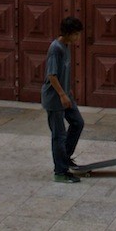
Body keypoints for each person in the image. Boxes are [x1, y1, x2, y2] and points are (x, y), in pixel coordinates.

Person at [42, 16, 85, 183]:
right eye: (76, 34)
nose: (78, 38)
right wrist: (61, 94)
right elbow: (51, 75)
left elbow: (63, 72)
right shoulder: (56, 48)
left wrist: (68, 90)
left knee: (77, 123)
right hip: (54, 98)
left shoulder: (66, 46)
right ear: (69, 34)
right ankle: (60, 172)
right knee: (58, 135)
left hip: (66, 95)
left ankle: (64, 157)